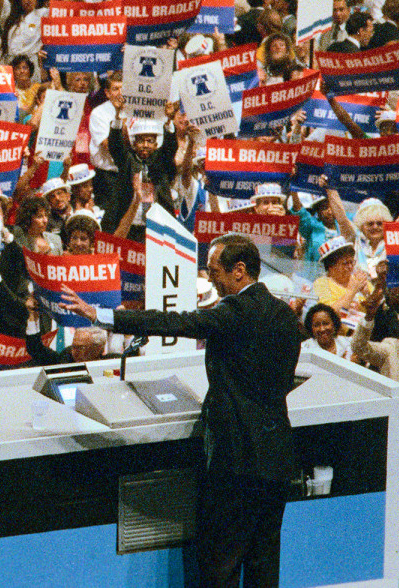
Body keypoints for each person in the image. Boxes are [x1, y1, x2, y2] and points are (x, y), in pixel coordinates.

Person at [62, 234, 300, 587]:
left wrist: (100, 314)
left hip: (236, 462)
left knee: (221, 564)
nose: (210, 278)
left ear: (239, 270)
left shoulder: (233, 313)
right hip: (277, 461)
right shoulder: (283, 313)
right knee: (264, 565)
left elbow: (173, 323)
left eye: (213, 270)